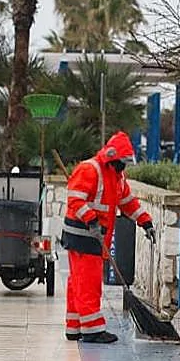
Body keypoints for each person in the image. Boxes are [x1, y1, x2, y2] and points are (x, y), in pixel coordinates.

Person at [60, 131, 155, 344]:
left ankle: (74, 327)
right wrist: (92, 219)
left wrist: (145, 221)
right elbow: (75, 200)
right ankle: (93, 330)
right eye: (121, 162)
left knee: (78, 282)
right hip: (84, 235)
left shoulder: (117, 177)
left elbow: (128, 202)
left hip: (93, 236)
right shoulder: (90, 169)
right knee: (88, 283)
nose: (124, 166)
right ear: (111, 158)